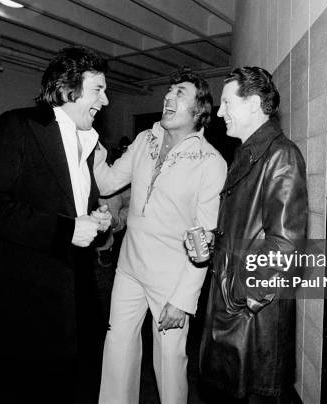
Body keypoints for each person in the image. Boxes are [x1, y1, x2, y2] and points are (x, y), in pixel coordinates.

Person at [0, 46, 112, 403]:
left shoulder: (88, 144)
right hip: (24, 302)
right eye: (99, 90)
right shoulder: (18, 126)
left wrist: (95, 217)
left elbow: (67, 205)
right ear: (67, 91)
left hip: (75, 293)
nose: (106, 101)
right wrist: (65, 229)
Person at [95, 71, 227, 404]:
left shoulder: (210, 162)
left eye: (179, 92)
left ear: (199, 110)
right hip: (129, 268)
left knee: (169, 364)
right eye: (168, 90)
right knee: (117, 350)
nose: (168, 96)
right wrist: (88, 143)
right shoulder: (144, 141)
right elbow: (108, 182)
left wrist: (183, 298)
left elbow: (204, 238)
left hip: (171, 279)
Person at [191, 67, 308, 403]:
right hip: (235, 316)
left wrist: (235, 291)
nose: (219, 111)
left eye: (227, 102)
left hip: (251, 321)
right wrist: (211, 248)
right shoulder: (248, 153)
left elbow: (284, 248)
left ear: (254, 103)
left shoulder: (280, 155)